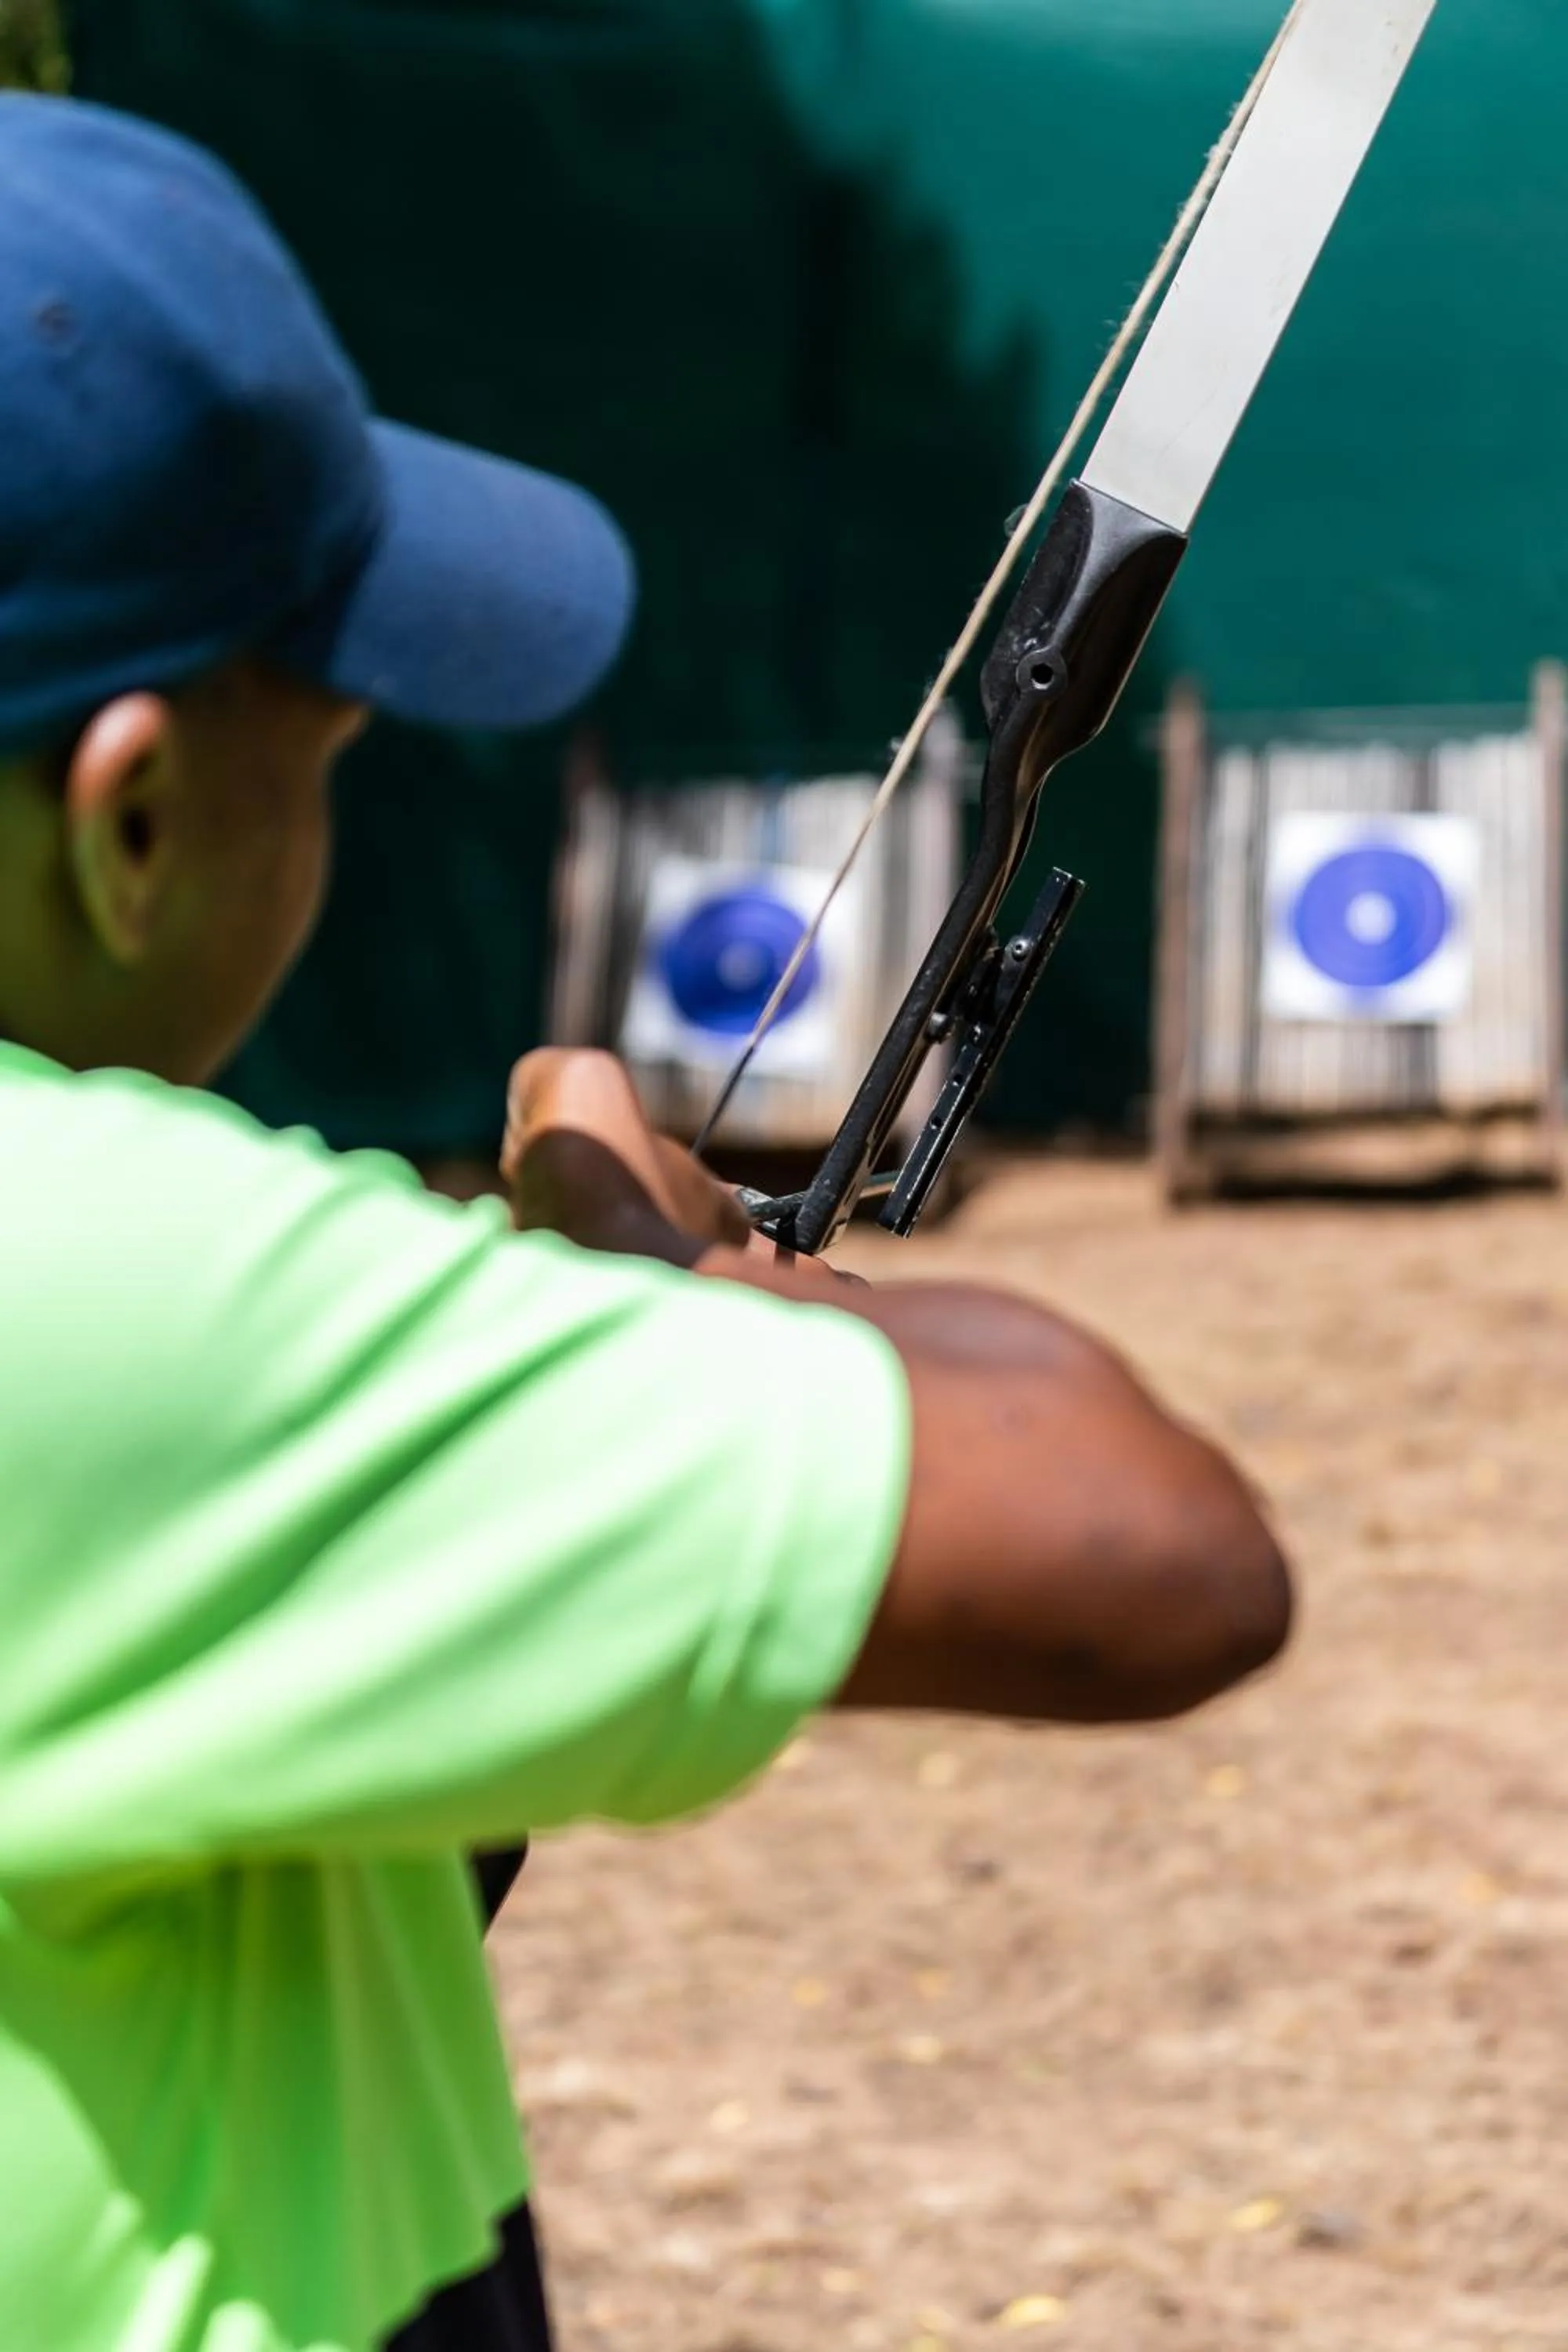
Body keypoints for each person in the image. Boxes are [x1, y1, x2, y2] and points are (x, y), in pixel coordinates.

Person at [0, 93, 1292, 2352]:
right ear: (131, 824)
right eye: (329, 732)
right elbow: (1153, 1549)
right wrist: (642, 1257)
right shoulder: (111, 1289)